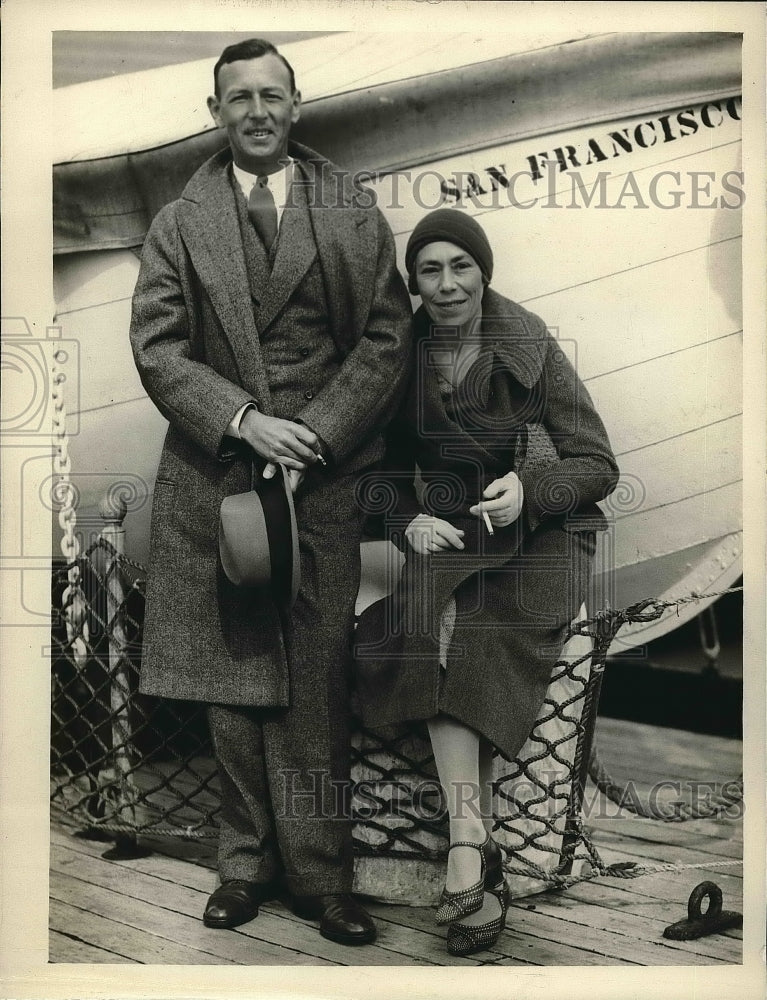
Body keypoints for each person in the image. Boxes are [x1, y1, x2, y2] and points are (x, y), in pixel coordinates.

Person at [130, 38, 412, 946]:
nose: (255, 110)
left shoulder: (349, 207)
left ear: (297, 105)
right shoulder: (180, 222)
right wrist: (247, 421)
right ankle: (243, 869)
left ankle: (324, 879)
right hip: (219, 474)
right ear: (214, 110)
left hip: (326, 478)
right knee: (234, 680)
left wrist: (318, 436)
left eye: (271, 95)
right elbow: (159, 348)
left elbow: (384, 337)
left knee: (316, 685)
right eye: (237, 97)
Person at [354, 209, 619, 956]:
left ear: (483, 271)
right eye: (429, 271)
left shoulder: (526, 343)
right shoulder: (398, 355)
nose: (446, 285)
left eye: (459, 267)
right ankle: (471, 838)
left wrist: (530, 489)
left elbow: (596, 463)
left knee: (479, 629)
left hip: (540, 535)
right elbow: (373, 473)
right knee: (426, 620)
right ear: (414, 284)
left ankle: (465, 852)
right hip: (451, 531)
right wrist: (405, 519)